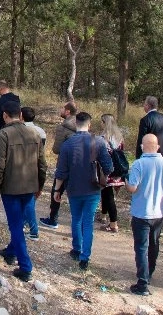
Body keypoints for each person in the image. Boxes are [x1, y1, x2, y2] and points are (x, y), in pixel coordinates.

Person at [0, 102, 46, 282]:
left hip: (11, 188)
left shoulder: (3, 134)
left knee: (15, 226)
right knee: (19, 223)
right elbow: (42, 164)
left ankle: (25, 267)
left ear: (5, 115)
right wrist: (40, 185)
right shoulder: (35, 133)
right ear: (21, 114)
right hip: (30, 186)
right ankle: (10, 251)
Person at [52, 112, 113, 270]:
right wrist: (100, 174)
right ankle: (85, 258)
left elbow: (61, 171)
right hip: (93, 189)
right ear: (89, 124)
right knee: (88, 222)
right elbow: (109, 167)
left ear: (75, 124)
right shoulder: (99, 142)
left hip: (73, 188)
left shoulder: (68, 144)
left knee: (76, 219)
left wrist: (57, 190)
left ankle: (76, 249)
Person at [126, 133, 163, 296]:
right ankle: (149, 274)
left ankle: (142, 283)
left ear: (142, 147)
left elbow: (133, 188)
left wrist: (126, 182)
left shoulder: (138, 164)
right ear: (158, 147)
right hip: (159, 213)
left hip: (141, 213)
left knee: (141, 247)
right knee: (154, 244)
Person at [39, 101, 78, 229]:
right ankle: (77, 224)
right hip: (79, 166)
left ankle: (53, 219)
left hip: (64, 165)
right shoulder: (81, 125)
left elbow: (56, 149)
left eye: (62, 108)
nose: (60, 110)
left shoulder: (63, 128)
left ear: (67, 111)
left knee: (56, 191)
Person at [21, 106, 46, 240]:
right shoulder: (41, 131)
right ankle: (25, 223)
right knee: (30, 200)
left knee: (27, 201)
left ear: (21, 116)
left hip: (22, 168)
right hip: (35, 168)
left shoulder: (19, 131)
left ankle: (32, 228)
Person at [99, 113, 126, 233]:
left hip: (107, 170)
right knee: (107, 194)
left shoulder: (103, 138)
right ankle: (103, 216)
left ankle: (113, 223)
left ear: (104, 123)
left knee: (108, 196)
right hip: (118, 170)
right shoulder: (119, 138)